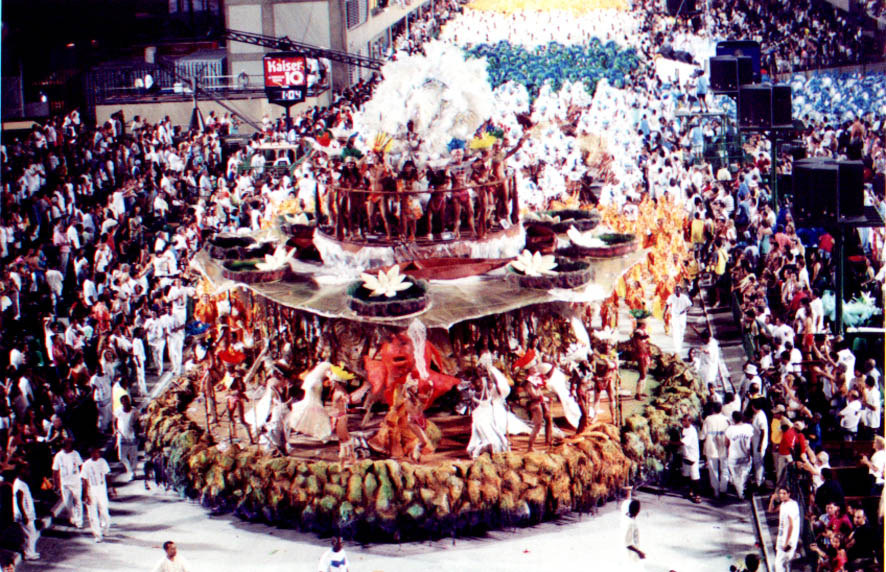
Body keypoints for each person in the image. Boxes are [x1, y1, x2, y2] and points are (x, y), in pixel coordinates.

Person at [81, 447, 113, 542]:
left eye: (97, 452)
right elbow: (84, 480)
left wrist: (110, 488)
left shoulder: (103, 462)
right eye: (94, 453)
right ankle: (97, 535)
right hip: (91, 490)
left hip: (101, 489)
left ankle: (105, 528)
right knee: (92, 514)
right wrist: (86, 494)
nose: (96, 454)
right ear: (90, 454)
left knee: (104, 511)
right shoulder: (86, 465)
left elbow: (107, 475)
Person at [699, 401, 730, 498]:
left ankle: (716, 490)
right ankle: (723, 489)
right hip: (723, 445)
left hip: (711, 446)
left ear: (712, 409)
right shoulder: (726, 419)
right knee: (724, 468)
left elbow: (702, 435)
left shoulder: (708, 419)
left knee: (713, 469)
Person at [52, 438, 84, 528]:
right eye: (64, 445)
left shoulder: (75, 454)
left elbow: (81, 466)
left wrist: (82, 479)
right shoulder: (59, 456)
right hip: (65, 483)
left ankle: (79, 521)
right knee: (67, 503)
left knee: (78, 501)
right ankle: (72, 518)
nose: (66, 446)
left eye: (68, 444)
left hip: (76, 482)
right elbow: (55, 470)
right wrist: (56, 484)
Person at [12, 465, 40, 560]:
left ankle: (29, 551)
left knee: (28, 534)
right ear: (20, 471)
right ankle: (29, 553)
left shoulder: (22, 483)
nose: (28, 472)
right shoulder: (19, 485)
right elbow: (19, 501)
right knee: (31, 533)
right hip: (24, 515)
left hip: (27, 513)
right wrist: (24, 515)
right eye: (26, 470)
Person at [725, 411, 754, 499]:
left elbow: (726, 443)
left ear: (733, 419)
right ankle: (743, 490)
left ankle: (740, 493)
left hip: (733, 457)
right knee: (744, 474)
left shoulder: (730, 429)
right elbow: (751, 441)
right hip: (745, 455)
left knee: (736, 476)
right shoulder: (748, 427)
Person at [772, 486, 800, 572]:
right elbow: (771, 510)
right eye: (780, 493)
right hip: (785, 538)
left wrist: (786, 543)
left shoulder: (790, 506)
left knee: (778, 564)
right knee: (786, 563)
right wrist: (772, 500)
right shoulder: (784, 504)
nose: (781, 495)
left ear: (789, 494)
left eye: (784, 493)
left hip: (787, 540)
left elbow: (791, 525)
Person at [114, 394, 140, 481]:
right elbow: (114, 421)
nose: (126, 403)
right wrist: (115, 430)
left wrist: (137, 435)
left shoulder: (134, 411)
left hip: (132, 436)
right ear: (122, 402)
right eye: (124, 401)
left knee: (133, 456)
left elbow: (137, 423)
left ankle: (132, 472)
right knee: (121, 457)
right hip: (122, 436)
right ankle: (130, 470)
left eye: (127, 400)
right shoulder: (118, 411)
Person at [679, 414, 702, 503]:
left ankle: (698, 495)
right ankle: (690, 492)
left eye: (685, 421)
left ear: (690, 421)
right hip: (686, 455)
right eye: (682, 420)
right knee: (686, 475)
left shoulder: (692, 431)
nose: (683, 422)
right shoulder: (684, 429)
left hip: (692, 456)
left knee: (695, 477)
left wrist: (670, 442)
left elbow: (682, 442)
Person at [666, 285, 692, 355]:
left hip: (682, 316)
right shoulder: (671, 297)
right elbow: (667, 304)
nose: (677, 291)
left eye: (678, 290)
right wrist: (665, 312)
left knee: (681, 330)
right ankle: (677, 347)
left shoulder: (684, 297)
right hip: (675, 316)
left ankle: (679, 344)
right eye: (676, 290)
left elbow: (689, 305)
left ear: (681, 291)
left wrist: (684, 311)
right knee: (675, 331)